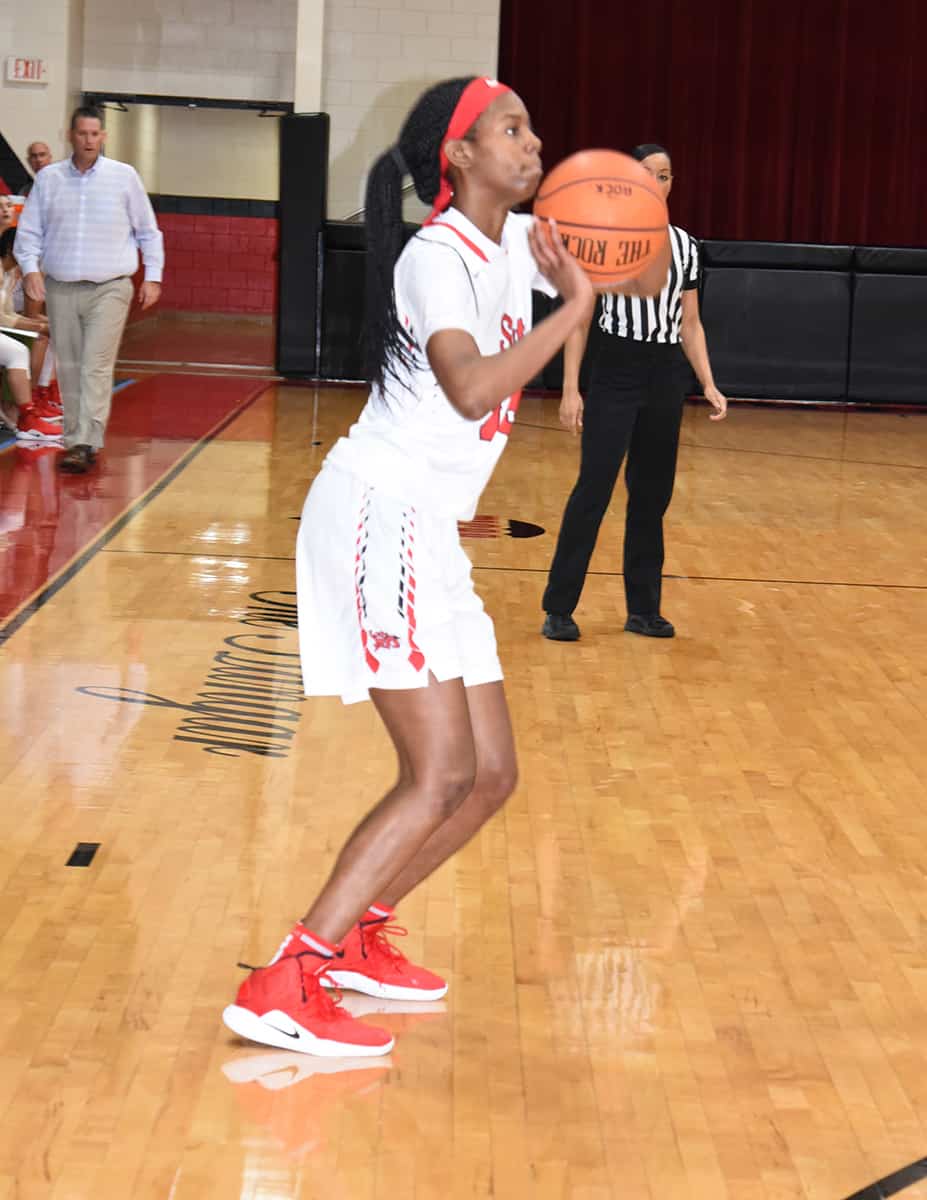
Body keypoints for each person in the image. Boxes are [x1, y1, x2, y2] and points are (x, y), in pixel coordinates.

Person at [221, 76, 606, 1057]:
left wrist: (620, 238)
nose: (534, 142)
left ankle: (358, 938)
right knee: (436, 774)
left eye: (532, 126)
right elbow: (473, 388)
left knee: (489, 776)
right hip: (379, 514)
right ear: (460, 155)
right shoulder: (437, 257)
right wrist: (575, 312)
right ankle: (286, 979)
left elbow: (615, 263)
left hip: (432, 530)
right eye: (512, 130)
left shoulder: (512, 242)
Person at [541, 143, 727, 642]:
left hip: (666, 375)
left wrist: (707, 381)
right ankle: (559, 607)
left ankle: (643, 609)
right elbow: (579, 318)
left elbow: (691, 324)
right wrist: (571, 388)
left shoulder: (687, 246)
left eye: (665, 175)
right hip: (617, 369)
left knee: (651, 496)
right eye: (647, 174)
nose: (657, 182)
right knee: (594, 489)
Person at [15, 105, 164, 474]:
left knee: (95, 365)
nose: (89, 141)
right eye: (82, 134)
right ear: (70, 136)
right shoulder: (49, 180)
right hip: (61, 286)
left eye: (95, 134)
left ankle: (85, 442)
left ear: (104, 137)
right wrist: (32, 271)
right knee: (71, 365)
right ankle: (76, 438)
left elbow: (148, 231)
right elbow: (29, 233)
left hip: (111, 287)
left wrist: (153, 276)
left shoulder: (123, 177)